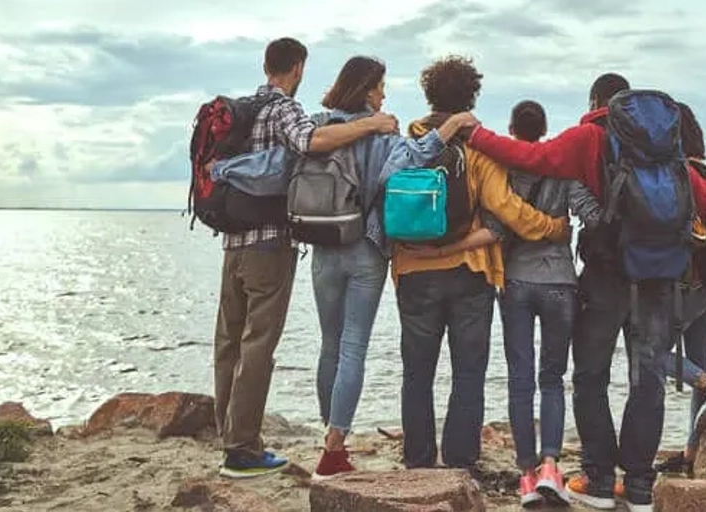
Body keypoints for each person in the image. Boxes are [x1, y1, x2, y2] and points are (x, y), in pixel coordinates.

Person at [464, 73, 675, 512]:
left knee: (589, 376)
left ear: (596, 100)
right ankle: (639, 486)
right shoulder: (663, 142)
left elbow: (530, 155)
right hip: (658, 274)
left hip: (605, 273)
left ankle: (598, 479)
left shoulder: (588, 136)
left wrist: (477, 135)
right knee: (647, 378)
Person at [214, 37, 399, 479]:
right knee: (329, 344)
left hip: (276, 247)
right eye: (380, 87)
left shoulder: (254, 111)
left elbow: (273, 164)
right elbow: (316, 146)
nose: (383, 95)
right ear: (297, 67)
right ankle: (319, 445)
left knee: (242, 342)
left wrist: (220, 172)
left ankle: (234, 437)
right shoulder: (302, 117)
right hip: (334, 247)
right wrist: (377, 127)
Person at [392, 56, 572, 472]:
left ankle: (418, 461)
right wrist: (553, 228)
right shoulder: (477, 148)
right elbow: (506, 208)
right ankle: (460, 460)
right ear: (470, 97)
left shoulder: (408, 143)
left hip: (413, 269)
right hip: (469, 271)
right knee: (468, 371)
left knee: (417, 371)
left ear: (428, 95)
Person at [308, 56, 479, 479]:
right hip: (365, 249)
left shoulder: (319, 124)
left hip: (323, 246)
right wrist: (451, 127)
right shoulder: (383, 132)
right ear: (367, 90)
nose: (384, 94)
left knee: (329, 344)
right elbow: (413, 159)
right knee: (353, 346)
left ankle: (331, 437)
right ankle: (333, 447)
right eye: (380, 86)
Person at [499, 100, 602, 507]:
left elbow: (496, 220)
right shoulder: (564, 168)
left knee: (520, 379)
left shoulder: (505, 170)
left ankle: (525, 476)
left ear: (511, 129)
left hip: (515, 282)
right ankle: (550, 468)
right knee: (552, 378)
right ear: (543, 131)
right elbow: (592, 215)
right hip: (561, 282)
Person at [653, 104, 706, 477]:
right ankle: (691, 455)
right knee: (699, 356)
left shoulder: (680, 171)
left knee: (648, 352)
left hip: (690, 284)